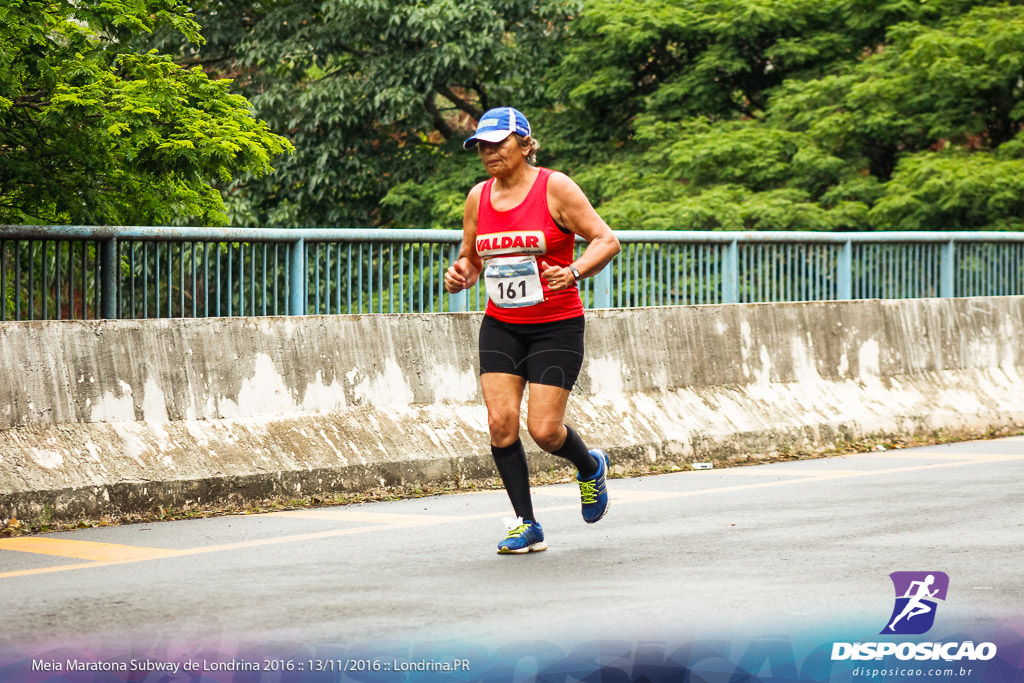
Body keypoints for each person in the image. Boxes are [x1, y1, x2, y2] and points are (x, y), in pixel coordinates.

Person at [443, 107, 621, 554]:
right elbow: (471, 256)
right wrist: (461, 272)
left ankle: (589, 465)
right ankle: (526, 523)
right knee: (500, 425)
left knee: (544, 431)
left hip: (556, 325)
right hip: (502, 324)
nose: (488, 153)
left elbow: (606, 240)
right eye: (481, 146)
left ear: (524, 144)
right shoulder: (478, 197)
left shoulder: (554, 188)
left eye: (497, 143)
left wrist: (575, 271)